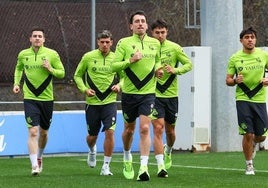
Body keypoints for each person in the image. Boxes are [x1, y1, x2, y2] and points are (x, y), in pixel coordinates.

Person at [111, 10, 163, 181]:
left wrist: (158, 69)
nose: (140, 24)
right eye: (137, 21)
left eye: (143, 21)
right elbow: (114, 66)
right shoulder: (123, 43)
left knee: (145, 128)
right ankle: (127, 156)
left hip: (148, 93)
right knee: (129, 130)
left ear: (147, 25)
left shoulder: (155, 43)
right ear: (131, 26)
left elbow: (157, 61)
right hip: (129, 94)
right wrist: (130, 61)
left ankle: (143, 167)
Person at [13, 26, 65, 176]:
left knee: (44, 133)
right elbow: (18, 69)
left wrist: (50, 69)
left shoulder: (52, 54)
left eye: (39, 36)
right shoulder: (23, 54)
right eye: (34, 36)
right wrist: (17, 84)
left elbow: (62, 73)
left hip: (47, 99)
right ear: (30, 38)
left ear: (44, 39)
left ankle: (40, 156)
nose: (37, 38)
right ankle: (34, 165)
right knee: (33, 131)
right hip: (30, 98)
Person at [74, 30, 120, 176]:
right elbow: (77, 75)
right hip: (92, 103)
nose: (105, 45)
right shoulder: (88, 57)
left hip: (110, 102)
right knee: (92, 136)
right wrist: (84, 89)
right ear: (98, 42)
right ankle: (92, 150)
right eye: (102, 42)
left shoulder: (118, 58)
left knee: (110, 132)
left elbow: (125, 76)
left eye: (107, 42)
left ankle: (106, 166)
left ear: (112, 43)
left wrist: (120, 86)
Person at [150, 19, 193, 174]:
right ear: (152, 33)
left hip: (172, 96)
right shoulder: (148, 48)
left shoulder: (174, 48)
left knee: (170, 131)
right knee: (158, 128)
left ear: (167, 32)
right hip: (154, 95)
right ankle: (160, 165)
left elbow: (189, 64)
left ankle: (168, 151)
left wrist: (176, 70)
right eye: (157, 32)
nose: (160, 35)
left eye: (162, 32)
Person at [226, 27, 268, 175]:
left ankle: (255, 144)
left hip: (260, 99)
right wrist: (236, 80)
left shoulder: (263, 56)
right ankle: (249, 165)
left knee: (261, 135)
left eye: (252, 37)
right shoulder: (235, 58)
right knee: (247, 133)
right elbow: (228, 80)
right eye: (247, 37)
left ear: (255, 39)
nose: (250, 39)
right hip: (243, 99)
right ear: (241, 40)